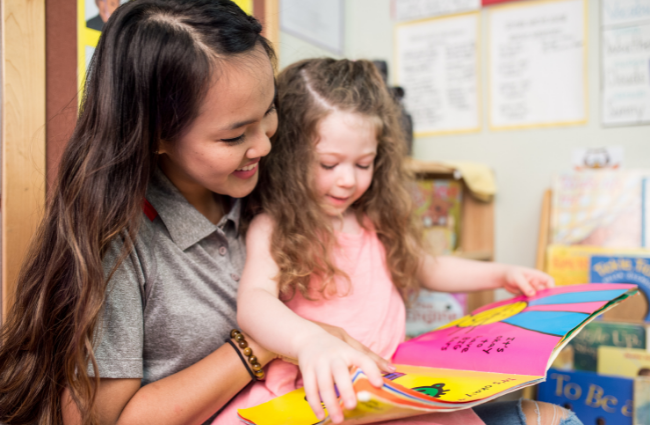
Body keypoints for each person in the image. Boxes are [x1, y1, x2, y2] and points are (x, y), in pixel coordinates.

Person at [0, 2, 382, 424]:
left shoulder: (261, 190)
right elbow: (99, 421)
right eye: (234, 135)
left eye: (269, 113)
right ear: (157, 135)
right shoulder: (117, 247)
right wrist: (260, 344)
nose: (264, 146)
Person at [214, 58, 583, 425]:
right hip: (317, 392)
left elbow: (426, 266)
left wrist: (502, 274)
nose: (348, 180)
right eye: (329, 164)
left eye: (363, 164)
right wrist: (309, 342)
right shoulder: (274, 226)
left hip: (385, 389)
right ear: (289, 156)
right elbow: (254, 302)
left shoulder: (374, 220)